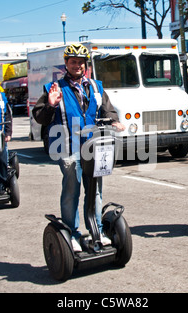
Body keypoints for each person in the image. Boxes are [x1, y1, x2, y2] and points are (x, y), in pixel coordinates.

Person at [32, 43, 125, 252]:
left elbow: (108, 110)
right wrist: (51, 105)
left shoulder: (95, 86)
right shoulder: (53, 89)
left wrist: (113, 121)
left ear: (86, 65)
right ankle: (72, 234)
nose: (77, 66)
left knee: (96, 191)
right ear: (66, 64)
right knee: (72, 190)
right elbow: (40, 118)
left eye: (81, 62)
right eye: (73, 62)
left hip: (93, 147)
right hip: (67, 148)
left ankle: (97, 230)